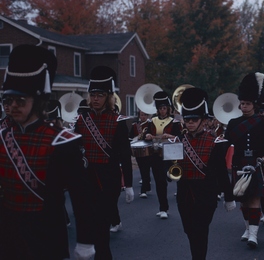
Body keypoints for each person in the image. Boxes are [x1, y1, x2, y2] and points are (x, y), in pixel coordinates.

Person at [0, 44, 95, 260]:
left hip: (46, 237)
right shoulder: (3, 135)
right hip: (8, 236)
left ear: (38, 101)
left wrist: (85, 240)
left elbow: (81, 196)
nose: (12, 106)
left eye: (20, 101)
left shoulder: (62, 141)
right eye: (8, 100)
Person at [74, 65, 134, 259]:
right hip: (86, 179)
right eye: (92, 95)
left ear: (108, 97)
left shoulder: (118, 121)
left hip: (109, 181)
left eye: (100, 95)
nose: (95, 99)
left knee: (101, 230)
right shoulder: (81, 120)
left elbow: (125, 155)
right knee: (90, 227)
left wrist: (130, 185)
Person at [225, 72, 264, 249]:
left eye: (247, 104)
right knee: (243, 200)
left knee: (254, 199)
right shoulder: (233, 123)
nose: (244, 107)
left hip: (258, 165)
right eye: (242, 104)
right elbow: (228, 142)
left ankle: (253, 234)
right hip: (239, 164)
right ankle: (247, 228)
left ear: (254, 104)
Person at [174, 87, 235, 260]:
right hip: (184, 193)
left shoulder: (216, 142)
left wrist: (228, 197)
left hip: (206, 195)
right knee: (190, 231)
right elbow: (170, 172)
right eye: (187, 119)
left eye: (194, 119)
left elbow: (222, 171)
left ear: (203, 120)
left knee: (200, 231)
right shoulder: (177, 141)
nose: (190, 123)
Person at [145, 91, 182, 219]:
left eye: (164, 108)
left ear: (168, 109)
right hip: (156, 154)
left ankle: (168, 205)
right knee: (159, 182)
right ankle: (163, 208)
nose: (162, 111)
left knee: (167, 178)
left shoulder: (174, 122)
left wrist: (170, 136)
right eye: (160, 108)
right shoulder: (152, 121)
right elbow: (147, 134)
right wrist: (148, 135)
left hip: (170, 154)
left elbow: (180, 137)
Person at [129, 110, 157, 198]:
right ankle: (146, 186)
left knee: (146, 168)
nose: (143, 116)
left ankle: (143, 190)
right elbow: (130, 137)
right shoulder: (135, 125)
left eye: (145, 115)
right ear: (139, 116)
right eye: (142, 115)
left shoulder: (150, 124)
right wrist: (135, 139)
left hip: (148, 149)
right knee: (142, 169)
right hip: (138, 150)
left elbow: (154, 135)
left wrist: (149, 137)